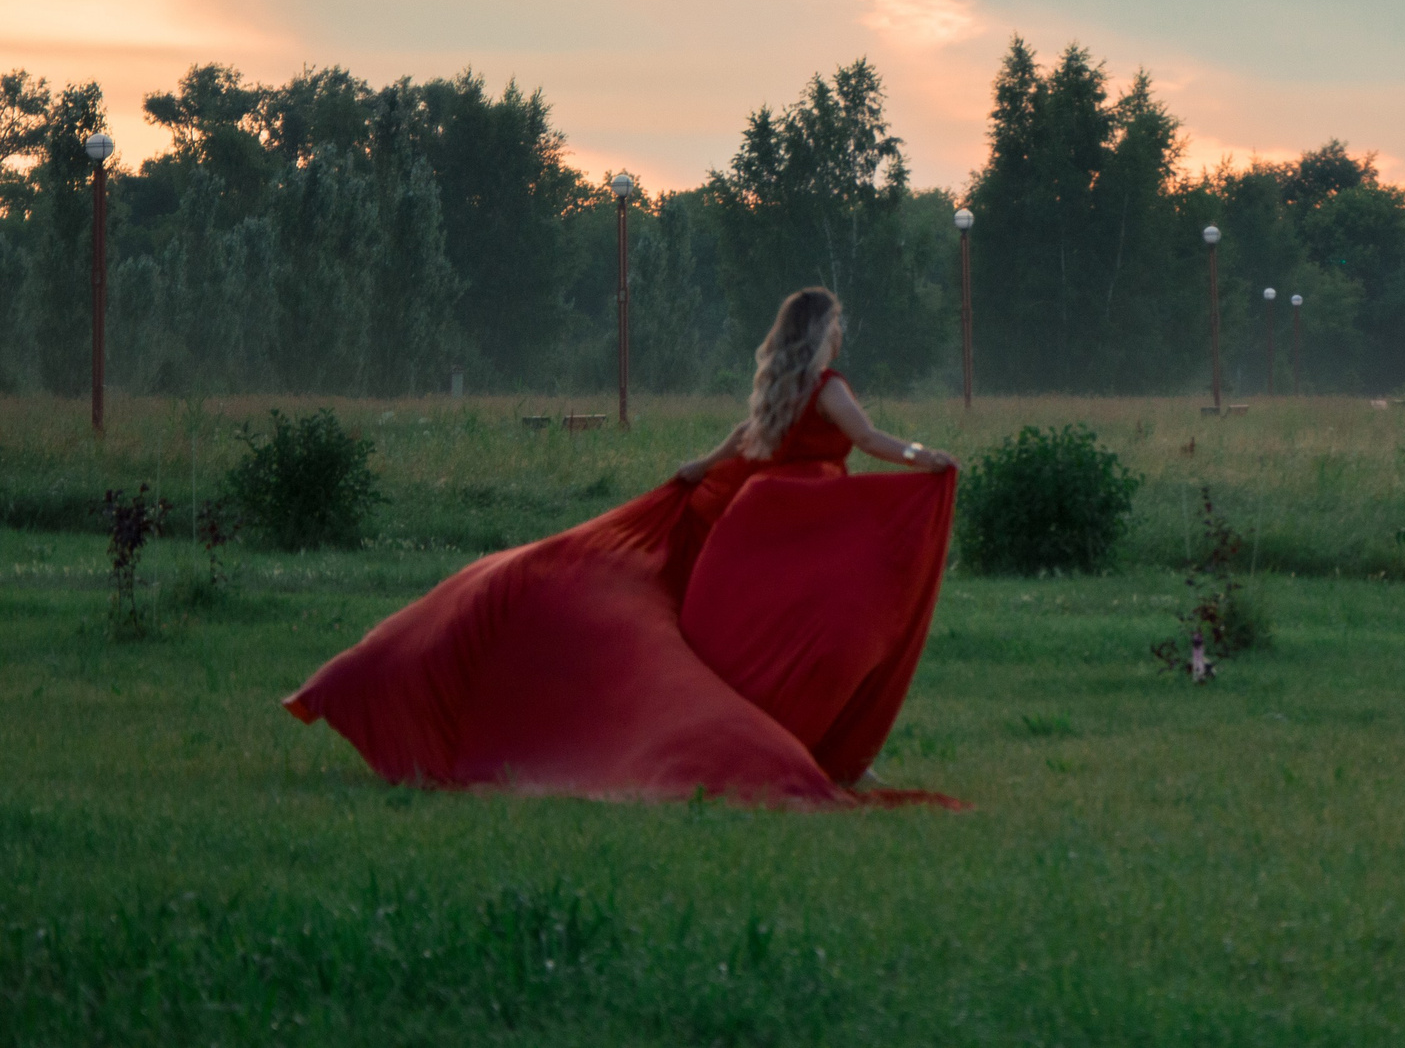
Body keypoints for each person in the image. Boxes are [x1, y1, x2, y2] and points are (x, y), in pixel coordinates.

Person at [284, 287, 963, 807]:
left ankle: (835, 750)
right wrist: (925, 456)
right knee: (845, 637)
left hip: (756, 527)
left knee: (773, 654)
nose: (844, 333)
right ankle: (830, 752)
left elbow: (736, 443)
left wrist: (693, 470)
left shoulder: (780, 391)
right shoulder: (831, 389)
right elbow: (871, 442)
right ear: (823, 332)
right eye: (839, 323)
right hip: (802, 526)